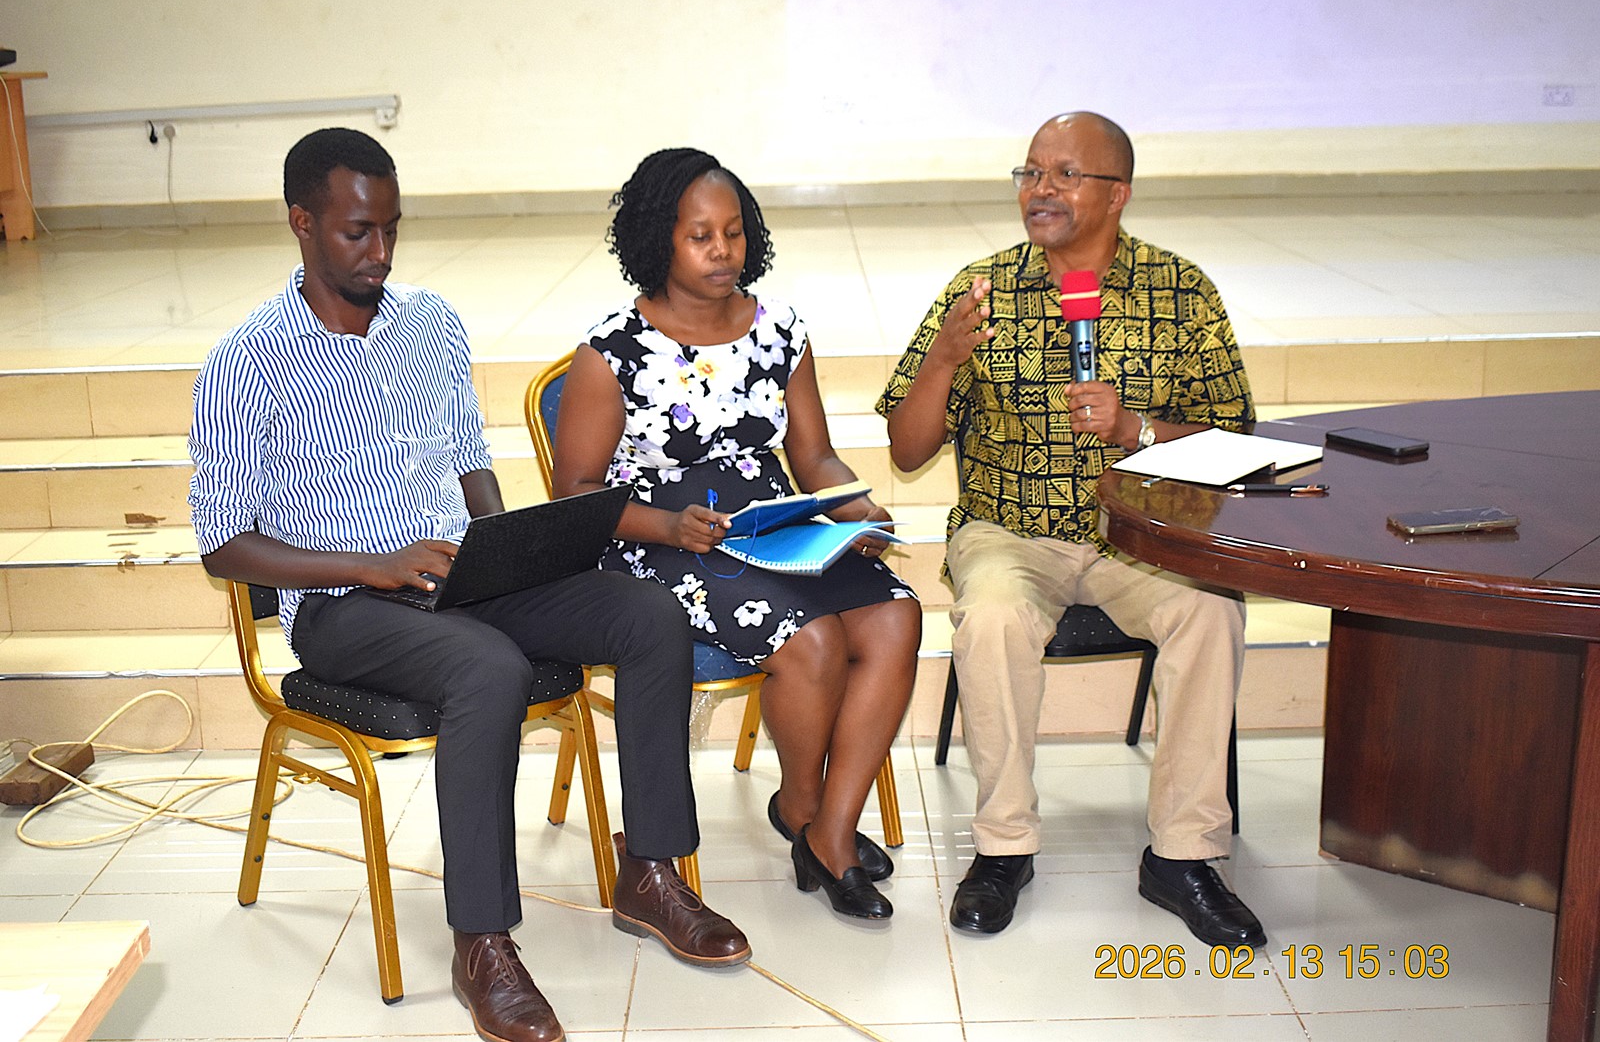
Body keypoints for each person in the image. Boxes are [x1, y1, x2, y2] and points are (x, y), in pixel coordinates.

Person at [188, 128, 749, 1042]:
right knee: (486, 667)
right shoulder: (247, 361)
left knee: (645, 613)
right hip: (346, 606)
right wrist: (367, 565)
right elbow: (224, 546)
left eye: (392, 230)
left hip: (463, 578)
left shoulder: (431, 323)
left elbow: (469, 466)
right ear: (302, 224)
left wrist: (510, 544)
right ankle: (482, 943)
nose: (380, 253)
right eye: (358, 233)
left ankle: (649, 873)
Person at [876, 112, 1266, 948]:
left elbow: (1237, 442)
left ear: (1116, 193)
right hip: (1008, 531)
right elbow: (907, 449)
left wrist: (1137, 429)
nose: (1039, 189)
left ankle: (1183, 854)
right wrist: (944, 358)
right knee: (994, 616)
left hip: (1145, 535)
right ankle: (1002, 847)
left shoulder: (1181, 290)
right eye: (1029, 172)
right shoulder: (979, 289)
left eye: (1063, 174)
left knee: (1212, 611)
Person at [552, 148, 921, 921]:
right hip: (658, 537)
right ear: (659, 241)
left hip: (768, 521)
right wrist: (667, 524)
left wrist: (854, 507)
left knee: (896, 614)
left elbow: (811, 454)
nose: (724, 251)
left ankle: (830, 828)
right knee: (813, 640)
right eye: (700, 236)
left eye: (733, 232)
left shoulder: (780, 329)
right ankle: (807, 809)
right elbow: (575, 492)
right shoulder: (611, 350)